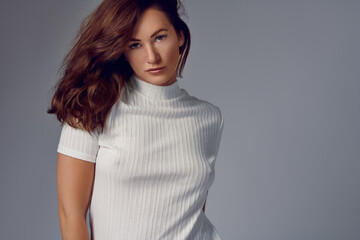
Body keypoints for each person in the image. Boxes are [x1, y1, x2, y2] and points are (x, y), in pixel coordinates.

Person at [47, 0, 224, 239]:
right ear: (123, 51)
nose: (152, 56)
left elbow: (192, 207)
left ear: (180, 36)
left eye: (160, 37)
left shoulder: (209, 118)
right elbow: (71, 214)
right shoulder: (92, 108)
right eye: (135, 44)